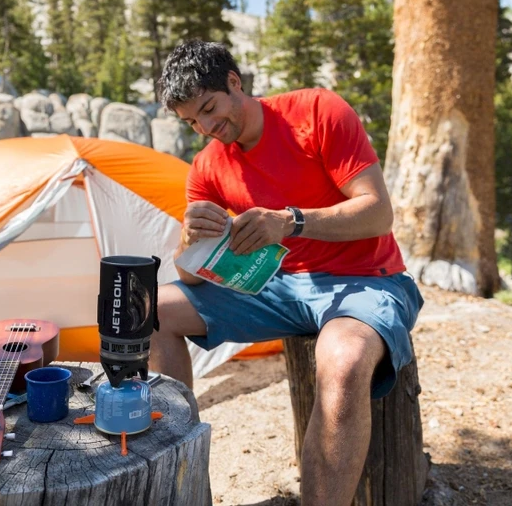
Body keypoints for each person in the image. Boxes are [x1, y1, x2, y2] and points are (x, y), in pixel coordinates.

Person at [150, 39, 424, 504]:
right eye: (192, 122)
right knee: (153, 310)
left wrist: (291, 221)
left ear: (235, 82)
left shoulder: (317, 111)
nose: (207, 128)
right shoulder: (207, 166)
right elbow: (192, 276)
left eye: (210, 109)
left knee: (344, 361)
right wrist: (188, 242)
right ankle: (180, 482)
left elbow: (378, 213)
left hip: (366, 279)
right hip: (275, 287)